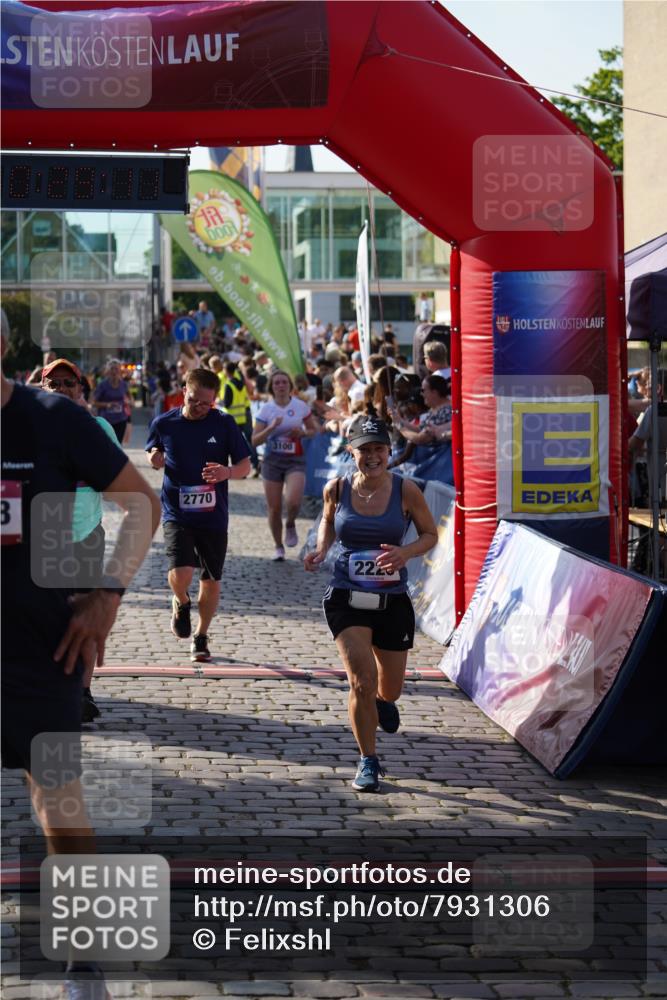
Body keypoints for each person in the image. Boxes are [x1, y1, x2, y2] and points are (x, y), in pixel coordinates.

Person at [1, 314, 160, 996]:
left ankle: (84, 955)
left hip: (43, 647)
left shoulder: (53, 417)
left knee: (57, 792)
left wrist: (108, 595)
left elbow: (140, 505)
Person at [304, 414, 437, 791]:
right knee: (361, 681)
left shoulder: (406, 490)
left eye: (379, 448)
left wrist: (405, 552)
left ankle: (384, 701)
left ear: (389, 451)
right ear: (352, 451)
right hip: (346, 595)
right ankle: (368, 759)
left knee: (388, 688)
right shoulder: (337, 488)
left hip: (392, 599)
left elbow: (430, 534)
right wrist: (320, 549)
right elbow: (328, 522)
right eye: (365, 449)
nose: (373, 456)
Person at [146, 368, 251, 662]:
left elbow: (245, 465)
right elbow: (152, 452)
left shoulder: (224, 423)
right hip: (177, 511)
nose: (201, 408)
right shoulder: (164, 423)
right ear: (184, 392)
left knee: (212, 579)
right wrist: (154, 459)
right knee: (181, 573)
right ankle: (181, 600)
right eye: (195, 401)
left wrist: (227, 472)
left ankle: (201, 635)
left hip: (213, 516)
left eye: (208, 403)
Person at [41, 358, 124, 723]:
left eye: (68, 384)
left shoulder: (98, 427)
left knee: (84, 618)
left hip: (86, 533)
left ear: (81, 390)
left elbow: (118, 484)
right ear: (42, 389)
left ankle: (83, 692)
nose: (62, 389)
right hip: (40, 538)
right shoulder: (26, 426)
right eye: (53, 384)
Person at [252, 370, 319, 561]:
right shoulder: (266, 410)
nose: (280, 386)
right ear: (271, 387)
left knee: (294, 501)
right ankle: (278, 546)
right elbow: (255, 441)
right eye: (276, 383)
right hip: (272, 461)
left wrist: (303, 433)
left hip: (294, 460)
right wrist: (271, 428)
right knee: (274, 508)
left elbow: (314, 429)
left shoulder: (300, 406)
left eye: (284, 382)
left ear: (290, 385)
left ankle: (290, 523)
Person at [219, 360, 261, 477]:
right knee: (248, 442)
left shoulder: (229, 385)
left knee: (234, 446)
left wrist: (219, 402)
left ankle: (240, 471)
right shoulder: (241, 383)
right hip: (243, 417)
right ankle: (255, 464)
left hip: (232, 419)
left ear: (226, 371)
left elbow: (227, 404)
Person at [92, 358, 131, 443]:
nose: (114, 371)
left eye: (116, 369)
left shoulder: (123, 384)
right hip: (106, 420)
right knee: (107, 445)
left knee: (118, 444)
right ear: (108, 371)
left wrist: (128, 402)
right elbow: (94, 402)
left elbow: (130, 398)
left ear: (120, 371)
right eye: (112, 369)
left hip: (121, 419)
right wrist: (107, 405)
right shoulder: (102, 385)